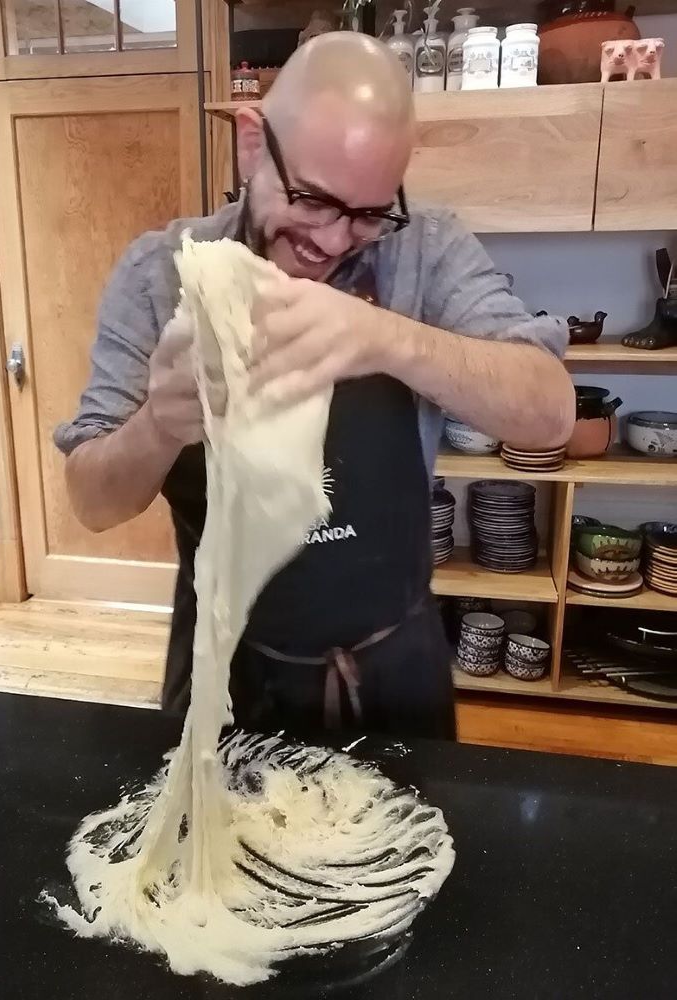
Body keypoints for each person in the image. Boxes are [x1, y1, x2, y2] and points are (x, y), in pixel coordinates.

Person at [55, 33, 575, 740]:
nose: (333, 242)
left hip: (395, 670)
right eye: (311, 199)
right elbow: (92, 501)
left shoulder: (424, 249)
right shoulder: (160, 275)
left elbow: (548, 412)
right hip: (229, 677)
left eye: (367, 213)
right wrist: (158, 424)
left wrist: (384, 338)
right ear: (249, 144)